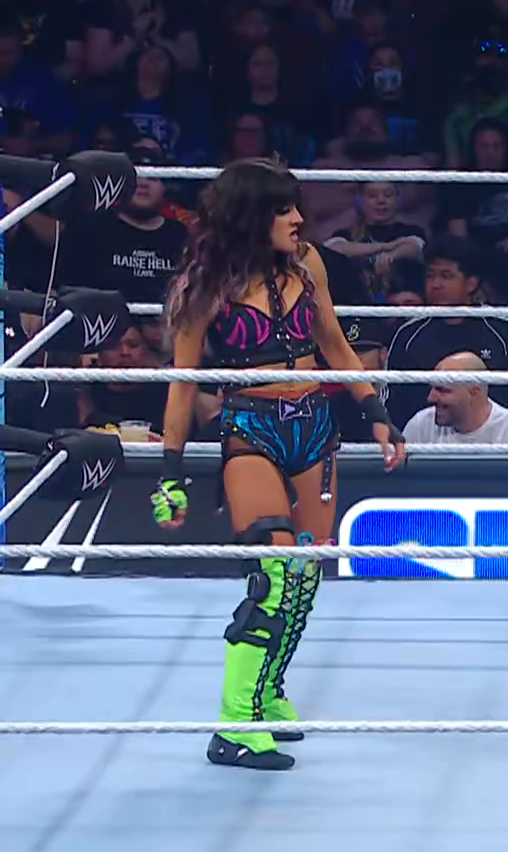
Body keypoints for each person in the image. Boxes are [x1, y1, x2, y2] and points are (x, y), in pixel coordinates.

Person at [151, 158, 407, 771]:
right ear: (251, 216)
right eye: (283, 209)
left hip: (314, 426)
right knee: (271, 572)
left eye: (296, 207)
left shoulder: (308, 262)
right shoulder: (205, 284)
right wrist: (169, 470)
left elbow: (336, 345)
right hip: (252, 429)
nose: (297, 219)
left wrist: (376, 411)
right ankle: (233, 726)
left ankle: (266, 692)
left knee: (305, 575)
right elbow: (183, 385)